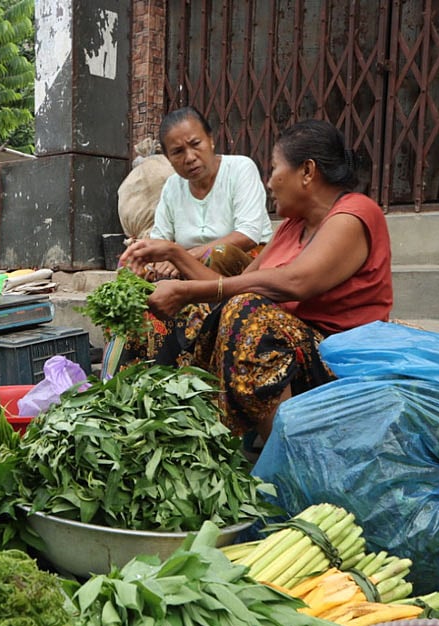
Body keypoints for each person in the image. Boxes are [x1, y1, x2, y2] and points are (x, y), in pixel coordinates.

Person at [121, 119, 393, 441]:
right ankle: (150, 423)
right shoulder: (291, 227)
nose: (269, 182)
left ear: (307, 171)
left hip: (341, 358)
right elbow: (227, 290)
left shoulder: (355, 213)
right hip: (290, 350)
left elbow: (295, 282)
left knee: (248, 313)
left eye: (275, 169)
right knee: (178, 317)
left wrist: (188, 289)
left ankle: (281, 451)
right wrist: (173, 254)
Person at [136, 106, 273, 279]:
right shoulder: (172, 186)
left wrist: (184, 257)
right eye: (178, 152)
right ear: (168, 158)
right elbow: (159, 239)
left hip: (245, 263)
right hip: (190, 264)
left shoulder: (241, 168)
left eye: (195, 144)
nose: (190, 157)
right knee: (134, 266)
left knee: (219, 255)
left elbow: (248, 235)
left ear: (211, 140)